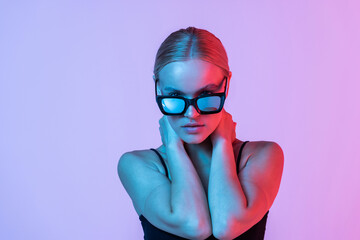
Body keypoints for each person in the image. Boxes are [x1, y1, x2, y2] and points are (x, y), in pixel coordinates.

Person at [117, 26, 284, 240]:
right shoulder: (137, 165)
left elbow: (227, 226)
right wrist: (174, 147)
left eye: (206, 94)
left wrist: (222, 142)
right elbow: (194, 226)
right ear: (159, 89)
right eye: (175, 95)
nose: (192, 113)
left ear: (227, 84)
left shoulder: (263, 155)